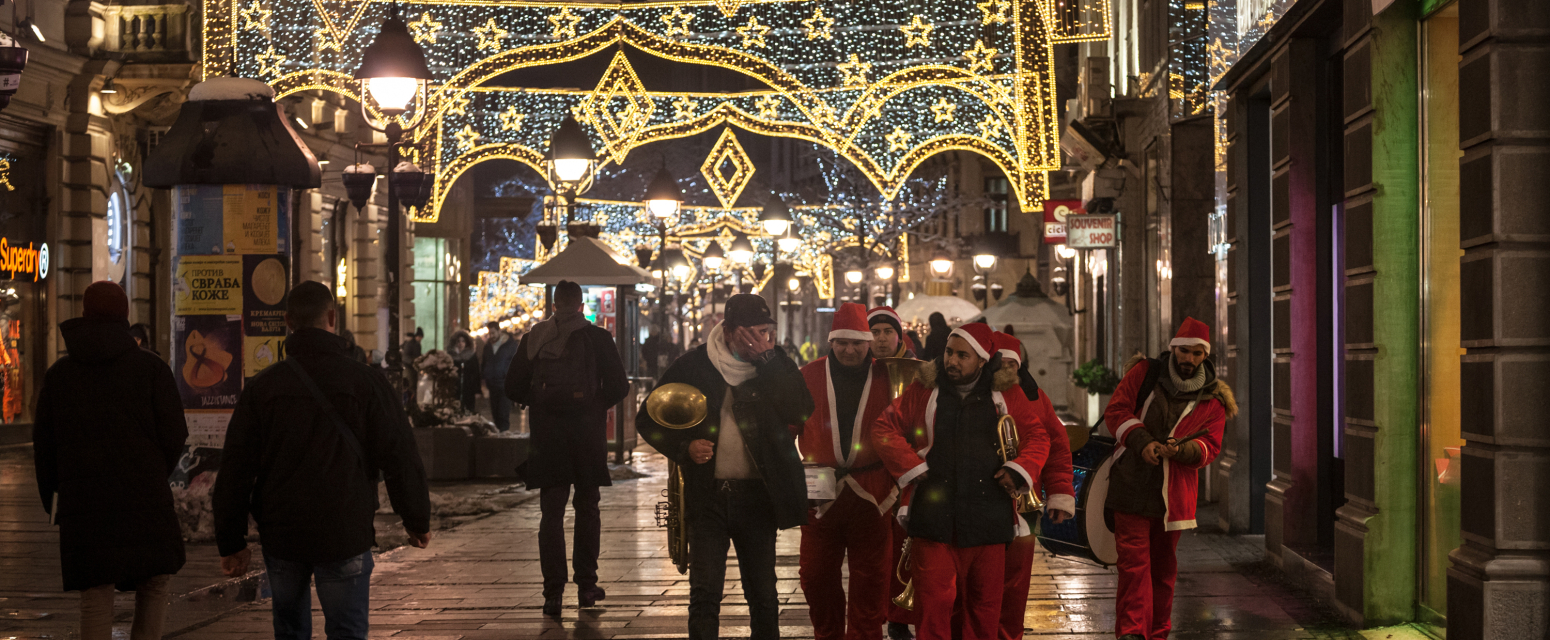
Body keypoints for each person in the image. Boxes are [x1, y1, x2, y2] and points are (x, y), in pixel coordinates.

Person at [213, 281, 432, 640]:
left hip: (283, 530)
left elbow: (236, 467)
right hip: (344, 526)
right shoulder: (367, 382)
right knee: (347, 630)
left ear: (287, 321)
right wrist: (416, 517)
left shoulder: (264, 387)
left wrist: (231, 541)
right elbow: (399, 454)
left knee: (289, 629)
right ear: (332, 317)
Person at [637, 294, 813, 640]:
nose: (764, 340)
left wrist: (768, 361)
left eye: (767, 331)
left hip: (757, 497)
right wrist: (684, 447)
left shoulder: (775, 363)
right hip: (708, 497)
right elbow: (648, 417)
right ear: (731, 332)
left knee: (762, 593)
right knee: (705, 594)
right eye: (755, 333)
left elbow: (801, 410)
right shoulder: (694, 365)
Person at [868, 322, 1050, 640]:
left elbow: (1038, 436)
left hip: (989, 521)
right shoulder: (924, 389)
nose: (952, 361)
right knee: (934, 610)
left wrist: (1020, 469)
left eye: (962, 355)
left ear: (982, 360)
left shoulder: (1007, 393)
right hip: (933, 518)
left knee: (984, 612)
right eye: (949, 352)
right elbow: (883, 428)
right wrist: (912, 468)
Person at [33, 282, 188, 640]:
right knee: (154, 582)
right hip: (145, 498)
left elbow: (45, 448)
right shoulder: (151, 370)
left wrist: (56, 498)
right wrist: (153, 472)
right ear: (126, 315)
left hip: (85, 505)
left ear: (84, 314)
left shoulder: (60, 376)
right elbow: (175, 433)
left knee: (95, 593)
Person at [504, 281, 630, 617]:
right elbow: (620, 386)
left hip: (548, 438)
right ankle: (587, 586)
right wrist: (593, 404)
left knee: (552, 514)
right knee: (588, 509)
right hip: (587, 437)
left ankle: (552, 593)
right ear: (579, 303)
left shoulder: (535, 337)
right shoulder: (598, 338)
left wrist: (541, 403)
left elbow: (511, 385)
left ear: (555, 302)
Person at [1102, 317, 1233, 640]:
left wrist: (1182, 450)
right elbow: (1116, 412)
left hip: (1173, 497)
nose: (1189, 359)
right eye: (1184, 351)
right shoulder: (1145, 374)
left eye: (1196, 354)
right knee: (1133, 567)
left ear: (1205, 357)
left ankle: (1158, 632)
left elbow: (1210, 448)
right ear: (1173, 349)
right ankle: (1132, 633)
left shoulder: (1213, 399)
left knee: (1163, 571)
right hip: (1131, 484)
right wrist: (1143, 442)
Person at [795, 303, 899, 640]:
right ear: (831, 342)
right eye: (842, 343)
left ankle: (865, 636)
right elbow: (786, 428)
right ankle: (827, 635)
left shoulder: (890, 375)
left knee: (871, 578)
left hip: (874, 487)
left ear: (868, 343)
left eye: (857, 343)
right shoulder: (808, 374)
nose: (850, 350)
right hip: (817, 483)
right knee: (815, 575)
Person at [990, 332, 1074, 640]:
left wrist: (1060, 492)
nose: (1006, 371)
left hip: (1024, 502)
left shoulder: (1036, 396)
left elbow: (1057, 446)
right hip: (984, 501)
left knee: (1016, 579)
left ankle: (1009, 634)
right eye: (1000, 364)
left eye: (1012, 364)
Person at [480, 321, 519, 432]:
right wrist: (484, 376)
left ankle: (504, 438)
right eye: (489, 333)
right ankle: (498, 438)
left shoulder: (510, 345)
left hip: (504, 384)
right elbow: (484, 362)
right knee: (495, 414)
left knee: (503, 414)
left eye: (493, 333)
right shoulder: (488, 346)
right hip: (492, 384)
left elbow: (516, 363)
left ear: (499, 331)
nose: (491, 336)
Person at [447, 330, 480, 413]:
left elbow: (476, 373)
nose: (460, 343)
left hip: (469, 390)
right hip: (454, 389)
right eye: (458, 341)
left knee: (468, 411)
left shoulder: (471, 356)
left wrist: (477, 390)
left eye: (463, 341)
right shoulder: (451, 356)